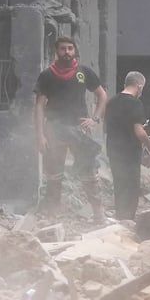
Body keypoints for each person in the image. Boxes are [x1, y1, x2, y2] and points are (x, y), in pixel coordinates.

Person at [33, 35, 108, 214]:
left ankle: (98, 212)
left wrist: (95, 119)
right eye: (62, 49)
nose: (66, 52)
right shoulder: (47, 75)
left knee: (88, 171)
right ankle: (54, 211)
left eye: (70, 48)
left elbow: (102, 96)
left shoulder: (84, 72)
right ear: (56, 51)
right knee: (54, 174)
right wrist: (40, 135)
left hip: (79, 129)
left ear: (74, 50)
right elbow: (39, 106)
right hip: (54, 128)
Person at [103, 71, 150, 221]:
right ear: (139, 86)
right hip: (130, 152)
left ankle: (120, 217)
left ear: (125, 84)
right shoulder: (135, 103)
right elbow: (138, 132)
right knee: (131, 186)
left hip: (113, 150)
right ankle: (129, 219)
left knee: (119, 184)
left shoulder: (111, 102)